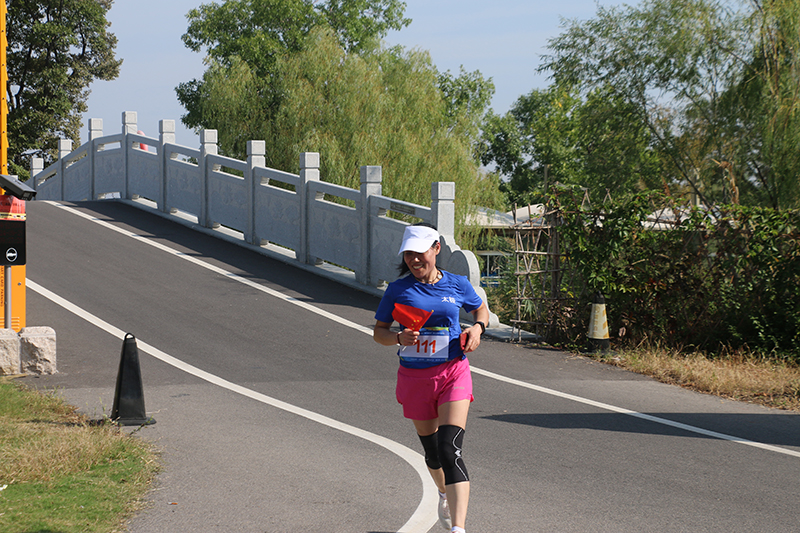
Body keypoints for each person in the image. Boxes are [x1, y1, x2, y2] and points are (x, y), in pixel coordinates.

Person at [373, 223, 489, 533]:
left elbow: (481, 311)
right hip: (415, 379)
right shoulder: (398, 290)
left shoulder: (457, 284)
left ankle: (458, 528)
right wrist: (398, 339)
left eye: (420, 253)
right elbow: (379, 333)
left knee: (451, 448)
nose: (414, 260)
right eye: (408, 254)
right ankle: (443, 491)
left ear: (436, 249)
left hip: (453, 372)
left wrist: (477, 329)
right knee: (434, 453)